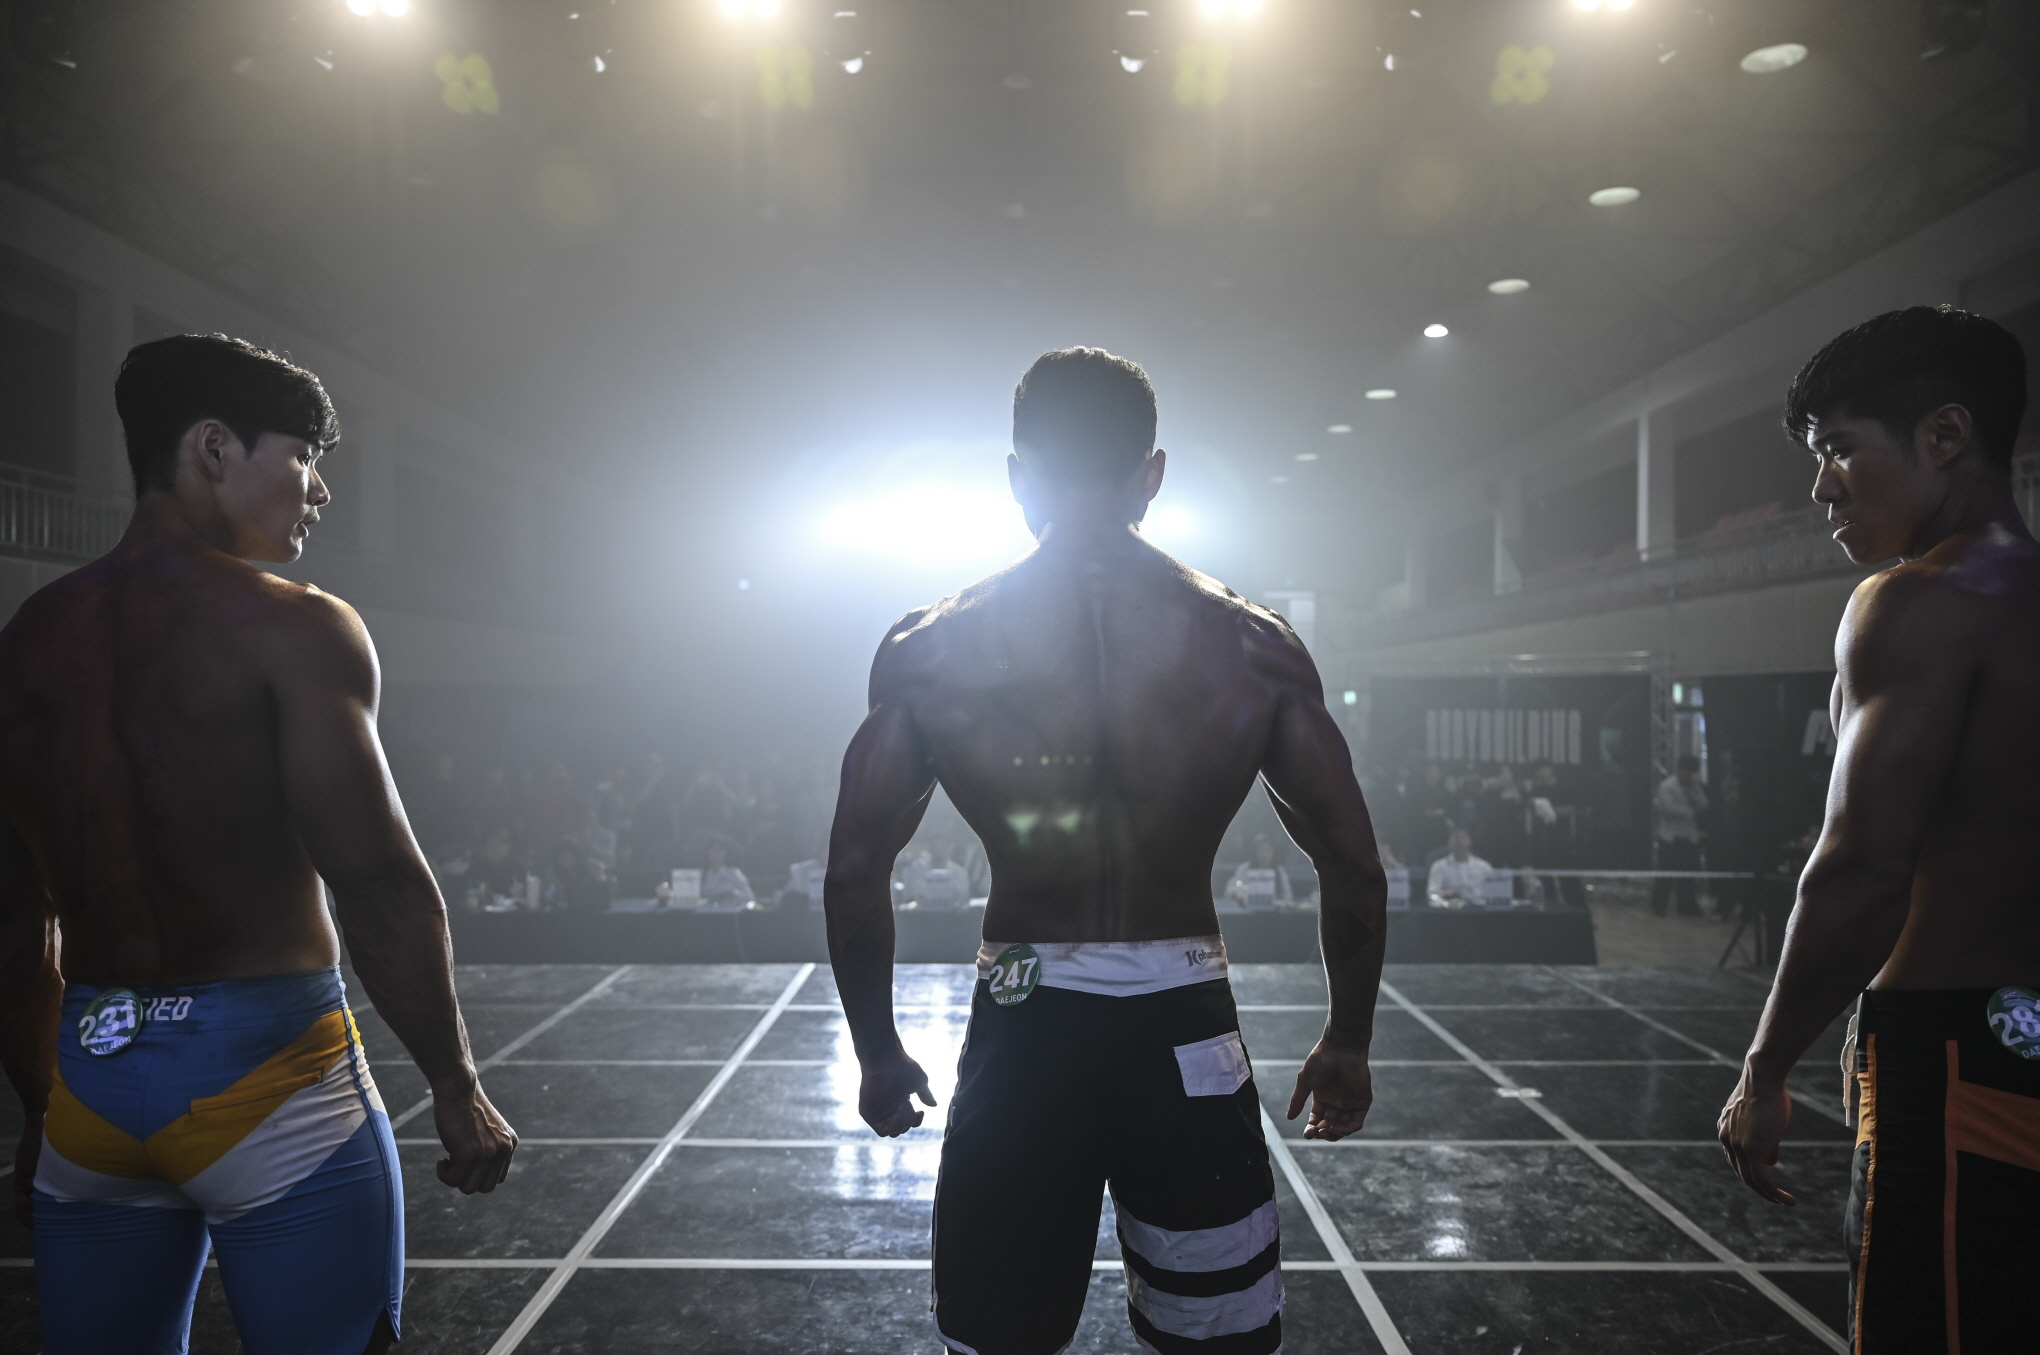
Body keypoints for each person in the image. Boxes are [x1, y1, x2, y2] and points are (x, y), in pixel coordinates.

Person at [825, 347, 1384, 1355]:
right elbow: (1351, 861)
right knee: (1216, 1340)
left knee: (999, 1337)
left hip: (1024, 1023)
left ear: (1018, 477)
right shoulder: (1252, 644)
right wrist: (1347, 1037)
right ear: (1152, 474)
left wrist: (876, 1047)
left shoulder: (932, 648)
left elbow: (856, 864)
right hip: (1186, 1027)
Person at [0, 335, 516, 1355]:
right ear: (214, 447)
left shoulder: (24, 641)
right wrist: (455, 1086)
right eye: (304, 455)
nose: (318, 489)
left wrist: (39, 1109)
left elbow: (17, 924)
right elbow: (378, 883)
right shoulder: (296, 627)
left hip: (92, 1090)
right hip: (269, 1080)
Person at [1716, 306, 2040, 1354]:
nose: (1821, 487)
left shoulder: (1913, 601)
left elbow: (1859, 867)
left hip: (1952, 1053)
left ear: (1944, 435)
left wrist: (1766, 1067)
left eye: (1839, 448)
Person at [1651, 755, 1708, 917]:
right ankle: (1659, 905)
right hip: (1670, 837)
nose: (1689, 775)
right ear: (1680, 769)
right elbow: (1667, 809)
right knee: (1665, 875)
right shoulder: (1667, 786)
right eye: (1687, 771)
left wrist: (1696, 789)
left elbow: (1704, 804)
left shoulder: (1693, 786)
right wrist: (1690, 811)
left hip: (1689, 837)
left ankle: (1687, 906)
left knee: (1688, 875)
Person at [1425, 828, 1494, 908]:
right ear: (1449, 842)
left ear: (1470, 841)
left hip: (1480, 908)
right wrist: (1447, 896)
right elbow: (1432, 893)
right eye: (1456, 837)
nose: (1459, 841)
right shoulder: (1439, 866)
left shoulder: (1484, 866)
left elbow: (1493, 891)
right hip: (1451, 909)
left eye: (1463, 837)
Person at [1225, 832, 1295, 908]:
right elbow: (1230, 890)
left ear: (1273, 852)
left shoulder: (1279, 870)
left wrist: (1278, 899)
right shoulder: (1244, 868)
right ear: (1254, 853)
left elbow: (1288, 895)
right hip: (1248, 910)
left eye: (1267, 850)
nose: (1264, 854)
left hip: (1274, 911)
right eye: (1260, 850)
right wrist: (1239, 894)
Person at [701, 837, 754, 906]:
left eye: (720, 849)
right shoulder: (701, 874)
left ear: (726, 853)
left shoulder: (734, 873)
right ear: (707, 852)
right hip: (703, 911)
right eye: (713, 849)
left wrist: (733, 893)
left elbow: (750, 897)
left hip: (727, 911)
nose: (716, 853)